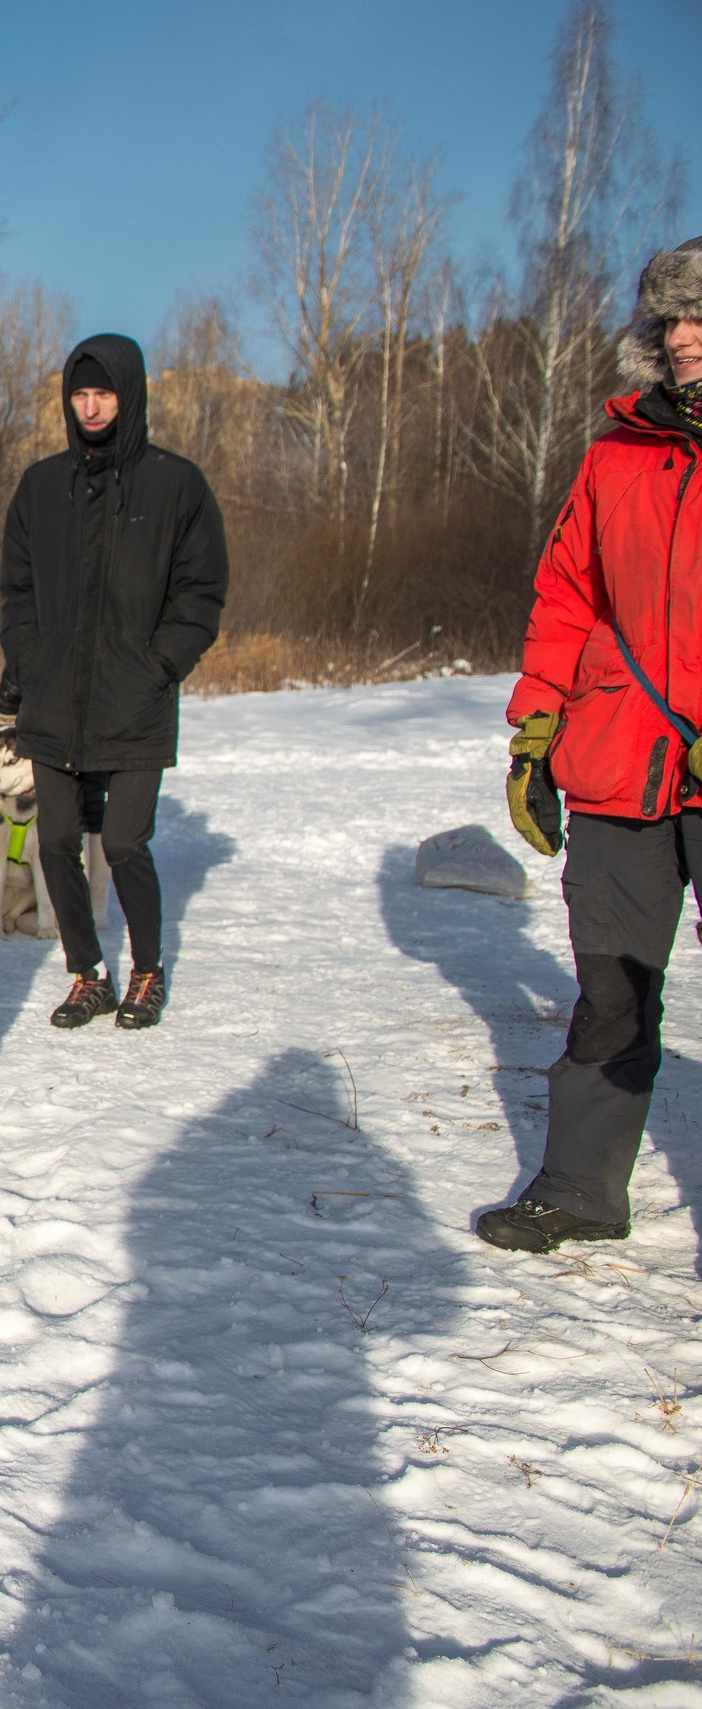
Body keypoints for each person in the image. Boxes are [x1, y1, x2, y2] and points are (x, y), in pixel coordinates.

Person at [481, 236, 702, 1256]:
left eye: (700, 318)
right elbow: (567, 594)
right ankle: (578, 1187)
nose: (683, 336)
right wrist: (536, 727)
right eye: (670, 321)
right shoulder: (616, 453)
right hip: (620, 760)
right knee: (611, 983)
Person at [0, 334, 228, 1031]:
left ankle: (148, 969)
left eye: (104, 393)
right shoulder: (42, 486)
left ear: (130, 396)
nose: (91, 406)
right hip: (55, 699)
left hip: (136, 699)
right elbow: (18, 588)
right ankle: (86, 972)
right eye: (80, 393)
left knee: (124, 841)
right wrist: (28, 658)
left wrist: (161, 663)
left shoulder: (175, 484)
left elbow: (202, 589)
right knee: (59, 841)